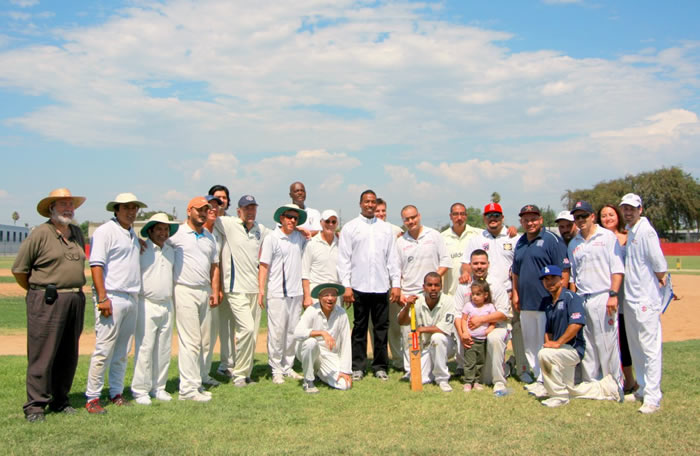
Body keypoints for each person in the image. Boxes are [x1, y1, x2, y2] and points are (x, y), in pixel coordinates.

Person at [12, 188, 87, 422]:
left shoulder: (76, 232)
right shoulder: (40, 234)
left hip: (74, 298)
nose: (68, 209)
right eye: (63, 204)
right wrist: (39, 291)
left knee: (68, 353)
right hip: (48, 299)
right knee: (42, 353)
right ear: (51, 209)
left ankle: (60, 400)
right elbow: (20, 269)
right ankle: (35, 406)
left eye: (71, 205)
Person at [85, 192, 147, 413]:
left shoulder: (131, 233)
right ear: (116, 210)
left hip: (131, 296)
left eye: (134, 208)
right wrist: (102, 297)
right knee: (104, 349)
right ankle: (92, 397)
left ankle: (116, 393)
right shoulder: (104, 232)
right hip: (111, 295)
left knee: (122, 351)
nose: (131, 212)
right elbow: (96, 265)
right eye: (127, 207)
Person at [536, 265, 622, 408]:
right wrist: (549, 343)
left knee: (544, 355)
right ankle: (607, 388)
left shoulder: (571, 297)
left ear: (562, 279)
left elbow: (576, 325)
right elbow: (548, 330)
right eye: (545, 279)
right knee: (570, 389)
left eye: (553, 278)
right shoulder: (549, 303)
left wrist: (557, 344)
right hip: (560, 350)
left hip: (573, 349)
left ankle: (559, 397)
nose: (549, 282)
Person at [337, 189, 401, 381]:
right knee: (359, 328)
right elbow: (344, 260)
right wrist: (346, 286)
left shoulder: (385, 229)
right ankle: (357, 366)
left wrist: (395, 284)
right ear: (360, 203)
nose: (370, 205)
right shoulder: (350, 228)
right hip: (358, 286)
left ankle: (380, 366)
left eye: (373, 202)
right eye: (367, 201)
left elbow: (392, 259)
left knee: (381, 328)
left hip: (381, 286)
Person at [460, 202, 527, 380]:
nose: (493, 219)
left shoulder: (514, 237)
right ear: (484, 218)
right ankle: (488, 370)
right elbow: (467, 263)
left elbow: (518, 268)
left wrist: (515, 291)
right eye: (489, 216)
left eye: (496, 216)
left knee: (517, 331)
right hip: (482, 294)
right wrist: (466, 274)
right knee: (485, 332)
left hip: (507, 292)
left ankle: (523, 368)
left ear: (502, 218)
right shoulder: (476, 239)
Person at [512, 204, 569, 397]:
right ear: (521, 221)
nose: (530, 223)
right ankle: (538, 378)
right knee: (530, 344)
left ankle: (548, 380)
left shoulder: (551, 240)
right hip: (527, 302)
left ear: (541, 220)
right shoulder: (520, 242)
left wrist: (561, 296)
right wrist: (515, 293)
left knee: (547, 344)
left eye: (533, 219)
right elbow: (516, 272)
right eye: (526, 219)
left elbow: (564, 270)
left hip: (547, 301)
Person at [619, 193, 667, 414]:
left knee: (650, 349)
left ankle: (653, 396)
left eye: (632, 208)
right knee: (637, 347)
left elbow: (659, 265)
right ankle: (643, 387)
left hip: (645, 299)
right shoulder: (631, 232)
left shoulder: (646, 232)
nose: (628, 212)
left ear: (640, 209)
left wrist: (659, 282)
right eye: (625, 209)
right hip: (630, 299)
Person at [169, 196, 220, 402]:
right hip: (184, 289)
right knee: (190, 340)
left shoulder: (209, 236)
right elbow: (158, 246)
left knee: (201, 340)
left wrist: (214, 291)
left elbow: (214, 266)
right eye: (198, 209)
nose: (202, 213)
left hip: (204, 290)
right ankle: (187, 390)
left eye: (205, 210)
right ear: (189, 210)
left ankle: (196, 383)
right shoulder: (177, 234)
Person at [215, 194, 269, 386]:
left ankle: (246, 374)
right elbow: (210, 214)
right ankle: (238, 374)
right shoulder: (228, 223)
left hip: (254, 289)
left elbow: (280, 237)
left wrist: (305, 232)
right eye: (247, 208)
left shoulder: (260, 229)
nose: (250, 212)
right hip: (235, 287)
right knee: (246, 329)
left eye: (253, 208)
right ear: (239, 211)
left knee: (252, 333)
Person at [568, 201, 624, 384]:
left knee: (607, 342)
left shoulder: (607, 237)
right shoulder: (574, 243)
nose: (581, 220)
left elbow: (617, 268)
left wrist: (613, 295)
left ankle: (613, 383)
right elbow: (574, 276)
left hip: (603, 295)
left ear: (593, 216)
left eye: (584, 216)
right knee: (588, 342)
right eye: (577, 217)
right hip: (583, 297)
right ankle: (591, 382)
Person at [394, 205, 450, 376]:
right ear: (403, 221)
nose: (410, 221)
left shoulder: (434, 235)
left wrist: (431, 283)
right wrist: (400, 292)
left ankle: (433, 367)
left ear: (419, 216)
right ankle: (411, 369)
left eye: (413, 217)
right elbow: (396, 270)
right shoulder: (400, 241)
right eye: (406, 219)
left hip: (432, 293)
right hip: (410, 294)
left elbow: (445, 262)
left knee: (432, 333)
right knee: (408, 334)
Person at [131, 213, 179, 405]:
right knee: (145, 347)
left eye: (166, 229)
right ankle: (140, 390)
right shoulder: (140, 248)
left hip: (167, 303)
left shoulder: (171, 250)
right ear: (149, 230)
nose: (163, 233)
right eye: (159, 229)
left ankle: (159, 387)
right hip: (147, 302)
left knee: (163, 348)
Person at [259, 203, 307, 384]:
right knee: (277, 332)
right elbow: (264, 266)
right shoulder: (272, 238)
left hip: (296, 293)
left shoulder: (299, 238)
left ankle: (288, 366)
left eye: (295, 218)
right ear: (281, 218)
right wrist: (261, 290)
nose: (292, 220)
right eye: (289, 217)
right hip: (277, 292)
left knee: (292, 332)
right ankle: (276, 368)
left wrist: (306, 232)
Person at [453, 250, 512, 394]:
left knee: (494, 339)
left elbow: (504, 313)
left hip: (495, 327)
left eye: (482, 263)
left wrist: (481, 320)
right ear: (470, 265)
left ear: (488, 265)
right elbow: (457, 314)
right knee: (457, 329)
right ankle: (465, 370)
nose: (479, 266)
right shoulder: (463, 286)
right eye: (475, 263)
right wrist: (463, 335)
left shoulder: (496, 284)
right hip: (471, 331)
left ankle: (499, 381)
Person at [598, 203, 637, 393]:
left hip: (626, 294)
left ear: (618, 216)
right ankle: (610, 378)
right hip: (606, 295)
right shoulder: (598, 239)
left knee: (627, 339)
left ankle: (630, 380)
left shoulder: (628, 237)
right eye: (604, 215)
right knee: (612, 339)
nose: (607, 218)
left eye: (611, 214)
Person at [397, 272, 456, 392]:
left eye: (436, 285)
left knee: (437, 337)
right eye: (429, 285)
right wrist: (407, 306)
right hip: (425, 347)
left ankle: (442, 379)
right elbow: (401, 321)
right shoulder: (417, 301)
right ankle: (433, 371)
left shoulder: (449, 301)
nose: (433, 288)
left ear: (441, 286)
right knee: (416, 380)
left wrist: (421, 329)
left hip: (447, 345)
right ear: (424, 287)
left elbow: (443, 329)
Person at [294, 283, 353, 393]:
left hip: (329, 355)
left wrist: (345, 370)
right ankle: (308, 381)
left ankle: (318, 373)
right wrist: (321, 333)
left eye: (333, 295)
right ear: (319, 297)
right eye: (326, 295)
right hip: (308, 350)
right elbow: (297, 333)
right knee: (311, 343)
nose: (330, 298)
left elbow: (346, 342)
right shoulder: (311, 310)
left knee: (345, 385)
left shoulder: (342, 313)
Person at [202, 195, 224, 388]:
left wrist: (217, 289)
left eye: (217, 207)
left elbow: (217, 266)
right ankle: (193, 377)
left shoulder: (217, 232)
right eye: (209, 207)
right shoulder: (191, 230)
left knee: (210, 334)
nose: (213, 210)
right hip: (194, 289)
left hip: (213, 289)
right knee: (197, 336)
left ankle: (204, 373)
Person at [459, 279, 496, 392]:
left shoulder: (489, 307)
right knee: (470, 361)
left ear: (485, 295)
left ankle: (476, 381)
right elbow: (463, 320)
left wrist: (489, 329)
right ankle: (468, 382)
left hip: (483, 340)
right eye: (473, 294)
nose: (474, 297)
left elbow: (493, 321)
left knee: (480, 362)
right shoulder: (468, 306)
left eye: (478, 294)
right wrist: (465, 333)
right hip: (471, 339)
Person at [302, 209, 340, 309]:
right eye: (327, 221)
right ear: (321, 223)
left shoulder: (341, 244)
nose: (330, 224)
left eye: (333, 222)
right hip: (316, 293)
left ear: (337, 224)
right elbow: (305, 273)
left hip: (336, 293)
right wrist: (307, 297)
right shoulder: (311, 243)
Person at [441, 202, 481, 296]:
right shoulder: (442, 238)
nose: (459, 218)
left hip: (475, 294)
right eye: (455, 214)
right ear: (450, 216)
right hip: (450, 294)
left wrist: (511, 230)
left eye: (462, 214)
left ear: (466, 216)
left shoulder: (478, 235)